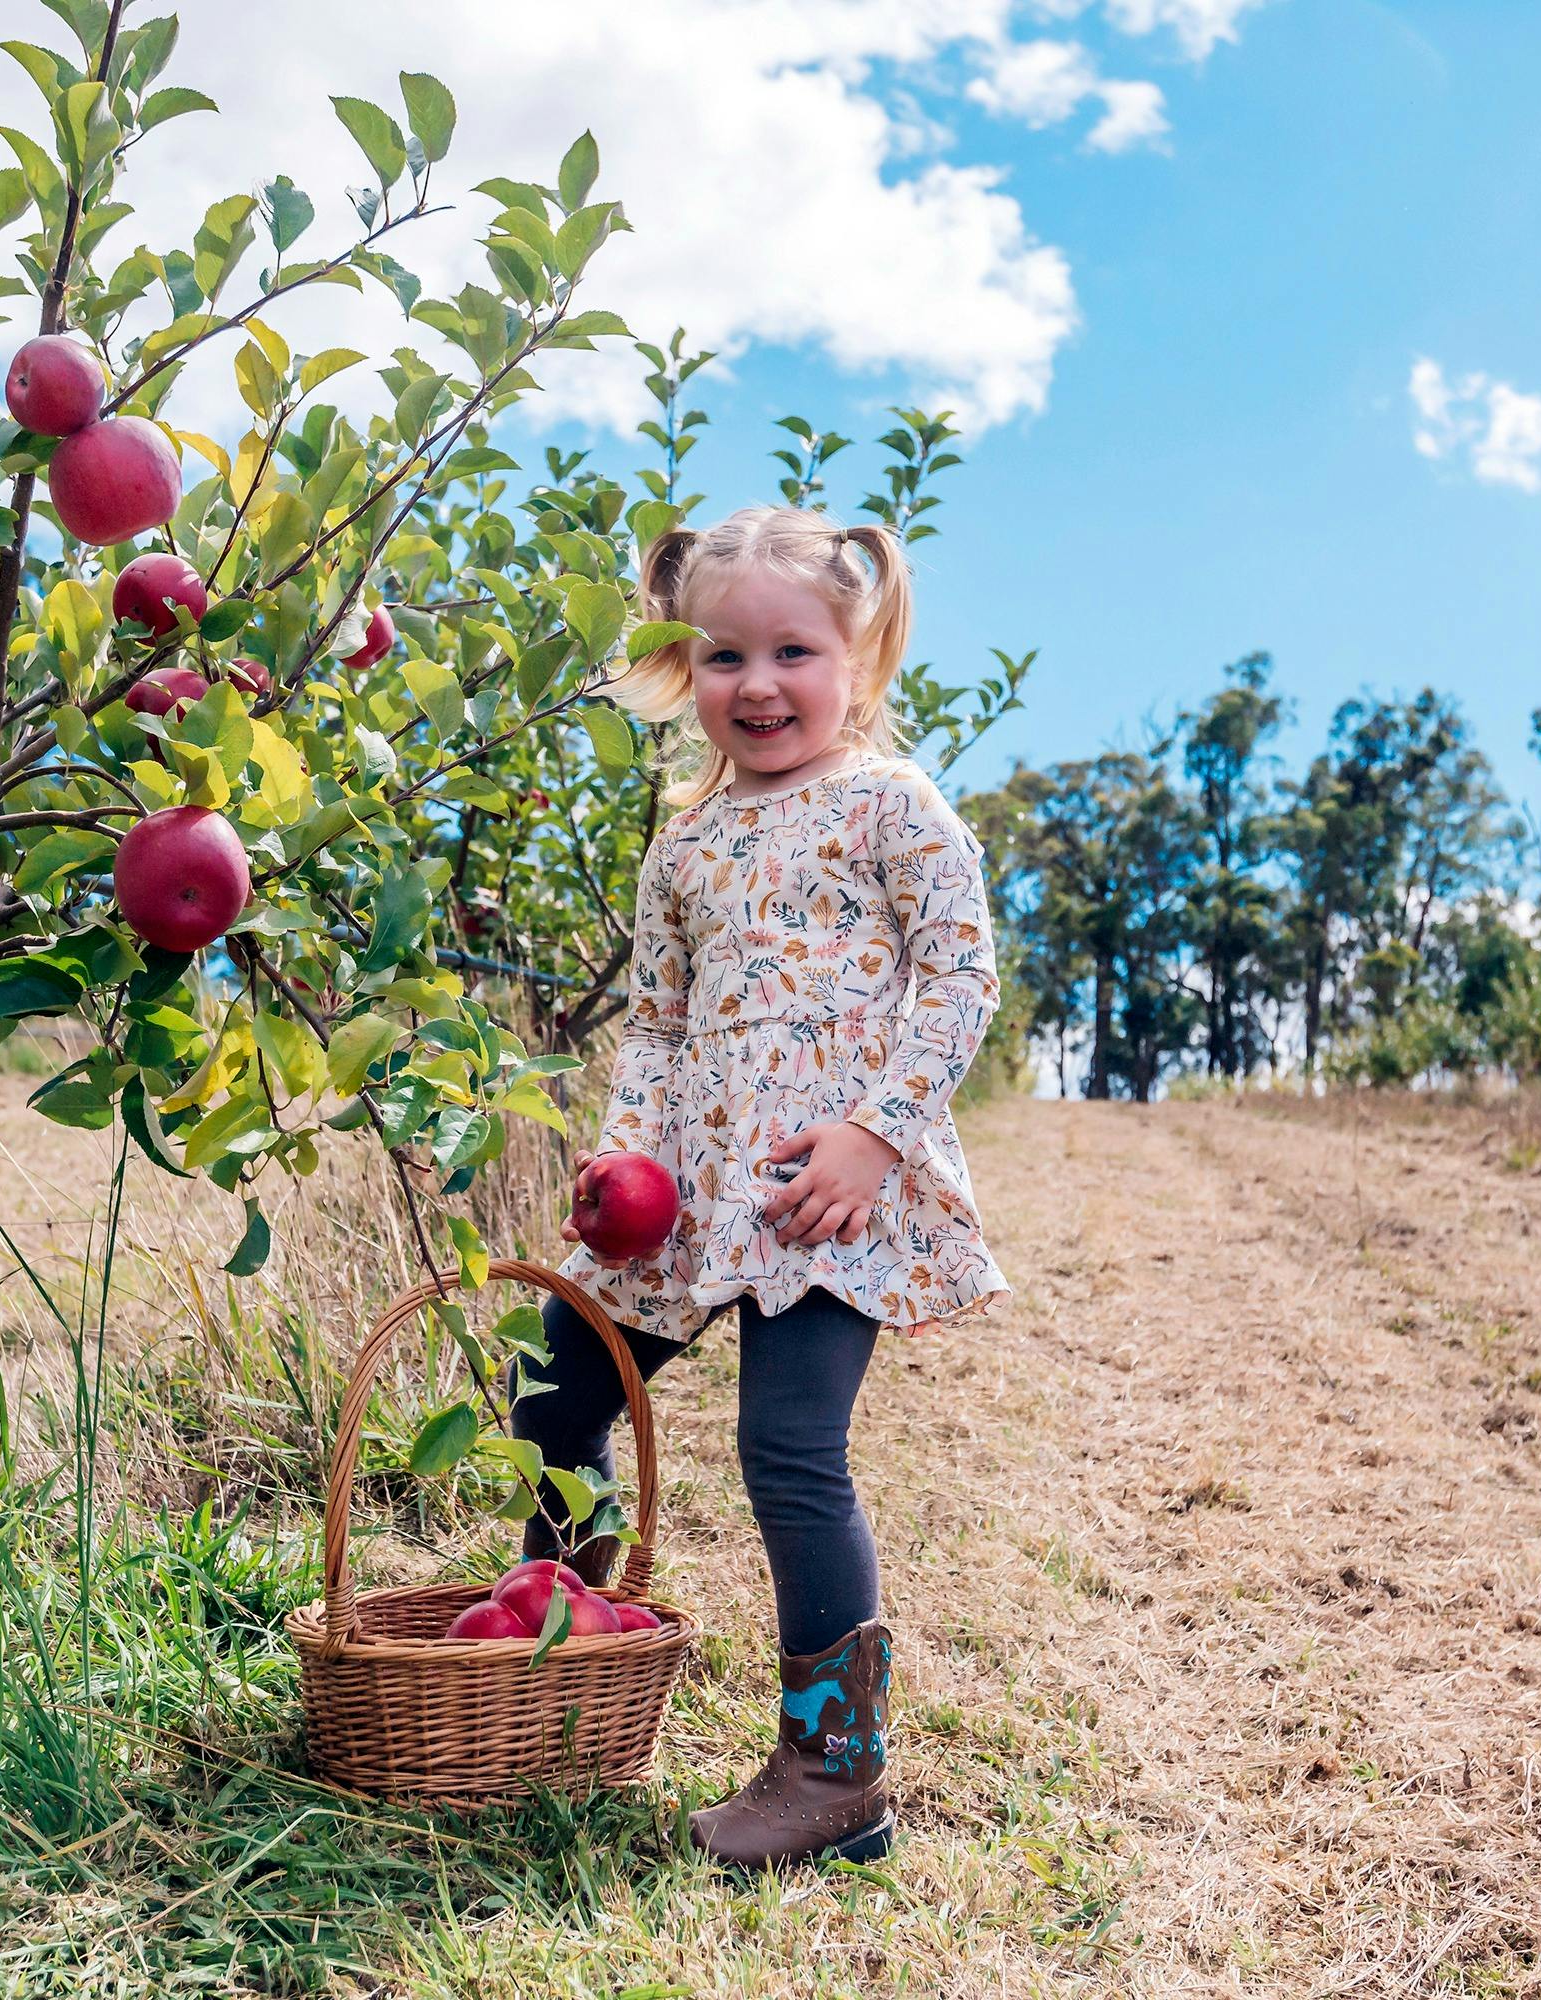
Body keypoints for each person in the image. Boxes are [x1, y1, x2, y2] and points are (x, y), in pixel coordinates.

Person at [519, 505, 1010, 1870]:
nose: (758, 684)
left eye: (794, 652)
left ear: (860, 658)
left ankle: (836, 1770)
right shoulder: (684, 846)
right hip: (686, 1193)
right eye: (724, 656)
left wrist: (875, 1137)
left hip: (821, 1190)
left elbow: (958, 979)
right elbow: (659, 1024)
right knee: (557, 1388)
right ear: (686, 669)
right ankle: (553, 1651)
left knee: (789, 1453)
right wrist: (624, 1153)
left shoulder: (893, 807)